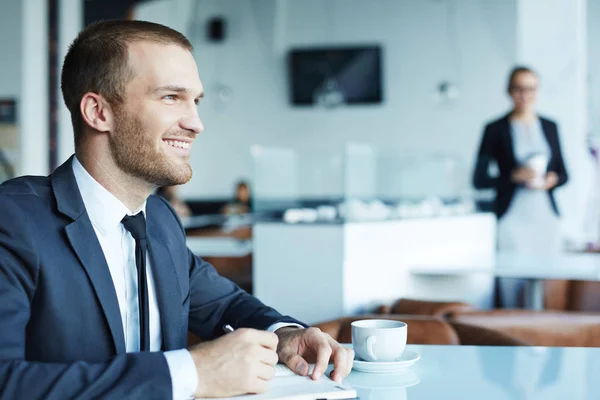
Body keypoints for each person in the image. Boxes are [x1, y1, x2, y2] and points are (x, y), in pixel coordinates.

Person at [0, 20, 354, 399]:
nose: (196, 123)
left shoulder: (160, 220)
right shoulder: (14, 220)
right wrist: (192, 373)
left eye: (196, 101)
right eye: (171, 97)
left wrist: (285, 335)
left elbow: (225, 305)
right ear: (98, 112)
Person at [473, 66, 568, 308]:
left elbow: (564, 173)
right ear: (509, 91)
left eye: (530, 89)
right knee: (511, 283)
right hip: (512, 218)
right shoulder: (494, 129)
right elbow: (479, 178)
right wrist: (513, 176)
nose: (524, 95)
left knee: (548, 284)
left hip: (545, 217)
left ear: (537, 92)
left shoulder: (550, 126)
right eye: (518, 88)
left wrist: (551, 180)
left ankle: (547, 338)